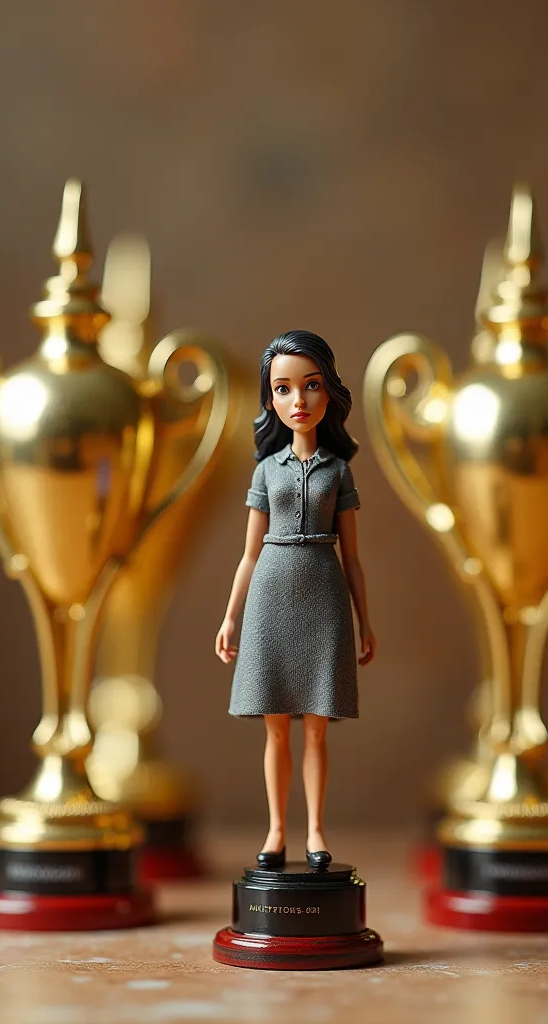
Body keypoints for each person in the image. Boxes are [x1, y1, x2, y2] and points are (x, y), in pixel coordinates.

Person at [215, 330, 376, 869]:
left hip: (324, 595)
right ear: (270, 400)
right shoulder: (265, 470)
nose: (298, 401)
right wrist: (232, 616)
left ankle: (315, 832)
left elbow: (353, 557)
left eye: (309, 387)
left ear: (329, 392)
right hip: (270, 596)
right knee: (275, 727)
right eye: (283, 389)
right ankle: (276, 829)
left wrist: (364, 621)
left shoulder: (338, 471)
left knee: (316, 729)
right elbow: (248, 553)